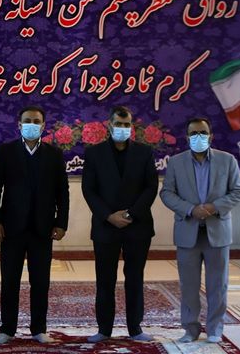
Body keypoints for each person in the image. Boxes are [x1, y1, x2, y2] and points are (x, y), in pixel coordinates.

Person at [0, 105, 69, 345]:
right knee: (9, 281)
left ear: (43, 126)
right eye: (27, 120)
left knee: (40, 282)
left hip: (43, 229)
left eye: (36, 121)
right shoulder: (6, 151)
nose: (32, 124)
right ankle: (7, 329)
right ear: (19, 124)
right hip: (11, 228)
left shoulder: (54, 154)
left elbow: (62, 192)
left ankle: (39, 329)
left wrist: (61, 223)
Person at [160, 117, 240, 344]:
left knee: (218, 284)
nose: (199, 137)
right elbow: (166, 193)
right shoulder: (176, 163)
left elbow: (238, 191)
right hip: (187, 231)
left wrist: (214, 207)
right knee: (188, 285)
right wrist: (190, 209)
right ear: (187, 137)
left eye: (203, 133)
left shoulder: (227, 161)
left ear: (211, 136)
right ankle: (190, 329)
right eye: (194, 133)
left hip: (217, 231)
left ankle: (215, 328)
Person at [81, 106, 158, 343]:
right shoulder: (94, 153)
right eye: (118, 124)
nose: (123, 128)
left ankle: (135, 328)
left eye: (127, 125)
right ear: (109, 125)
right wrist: (108, 216)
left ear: (131, 127)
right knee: (105, 280)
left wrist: (131, 214)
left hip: (138, 226)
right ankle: (104, 329)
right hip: (106, 226)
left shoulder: (144, 152)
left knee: (135, 278)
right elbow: (89, 190)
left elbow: (151, 187)